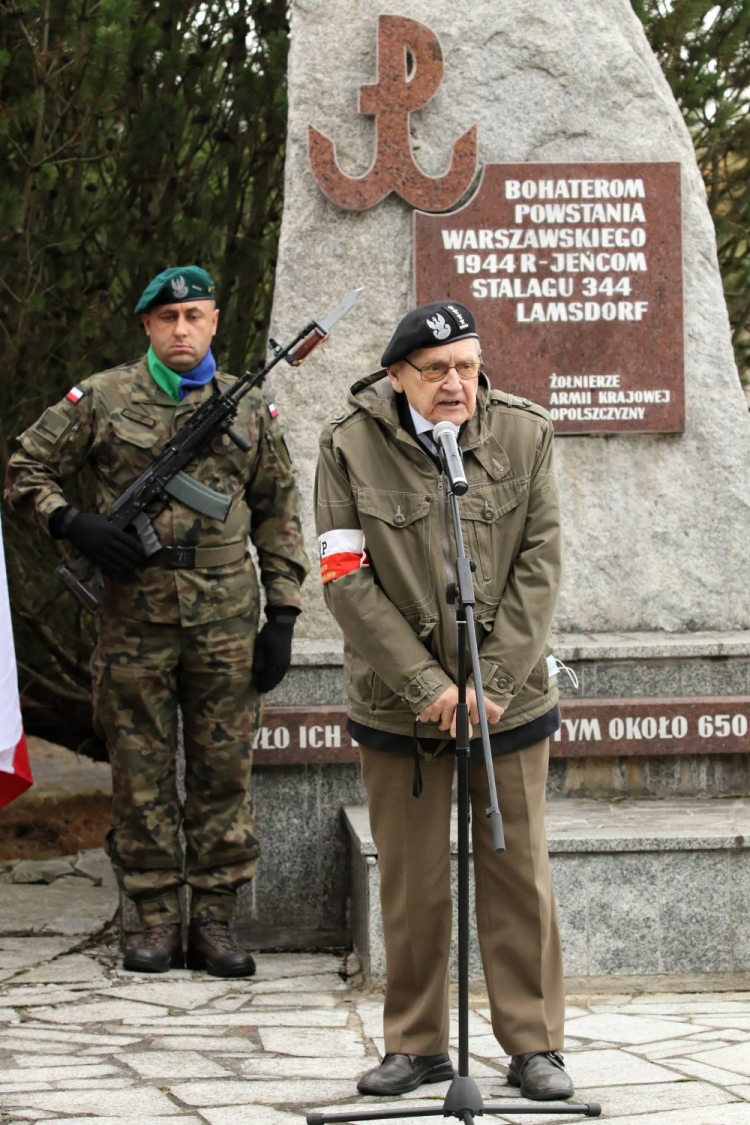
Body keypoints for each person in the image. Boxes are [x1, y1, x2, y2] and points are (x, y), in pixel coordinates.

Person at [5, 266, 309, 977]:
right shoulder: (105, 397)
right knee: (139, 772)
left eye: (194, 316)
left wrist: (285, 613)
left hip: (228, 617)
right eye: (167, 318)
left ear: (213, 320)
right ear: (146, 325)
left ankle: (214, 921)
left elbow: (279, 512)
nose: (181, 330)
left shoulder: (248, 406)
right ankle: (153, 915)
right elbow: (25, 469)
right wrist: (73, 521)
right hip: (133, 616)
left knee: (222, 772)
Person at [314, 300, 572, 1102]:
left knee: (517, 873)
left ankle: (534, 1045)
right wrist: (429, 688)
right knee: (414, 881)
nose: (456, 383)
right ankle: (417, 1043)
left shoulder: (525, 435)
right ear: (397, 377)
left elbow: (541, 566)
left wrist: (488, 684)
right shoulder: (347, 446)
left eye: (467, 365)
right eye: (436, 371)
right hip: (402, 710)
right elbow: (343, 578)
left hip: (511, 702)